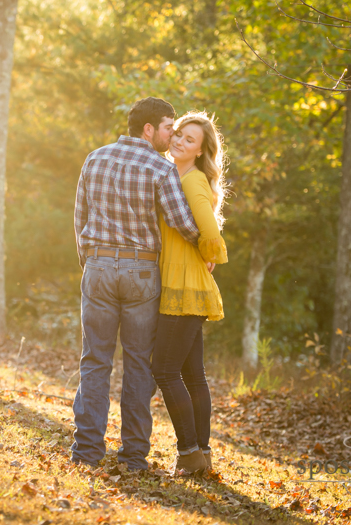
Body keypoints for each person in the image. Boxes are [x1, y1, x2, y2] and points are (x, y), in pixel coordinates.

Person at [71, 97, 200, 472]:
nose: (171, 135)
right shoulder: (161, 168)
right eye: (167, 128)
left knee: (95, 361)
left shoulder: (94, 158)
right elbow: (184, 223)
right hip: (142, 272)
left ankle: (86, 453)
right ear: (148, 129)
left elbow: (80, 217)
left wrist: (92, 262)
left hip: (97, 266)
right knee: (139, 364)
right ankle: (132, 458)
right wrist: (207, 243)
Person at [151, 111, 228, 476]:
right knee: (193, 374)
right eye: (179, 134)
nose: (180, 142)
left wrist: (209, 256)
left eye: (189, 140)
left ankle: (188, 453)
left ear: (199, 152)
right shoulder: (173, 174)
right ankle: (202, 455)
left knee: (164, 370)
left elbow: (210, 232)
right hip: (182, 282)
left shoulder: (192, 180)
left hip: (185, 285)